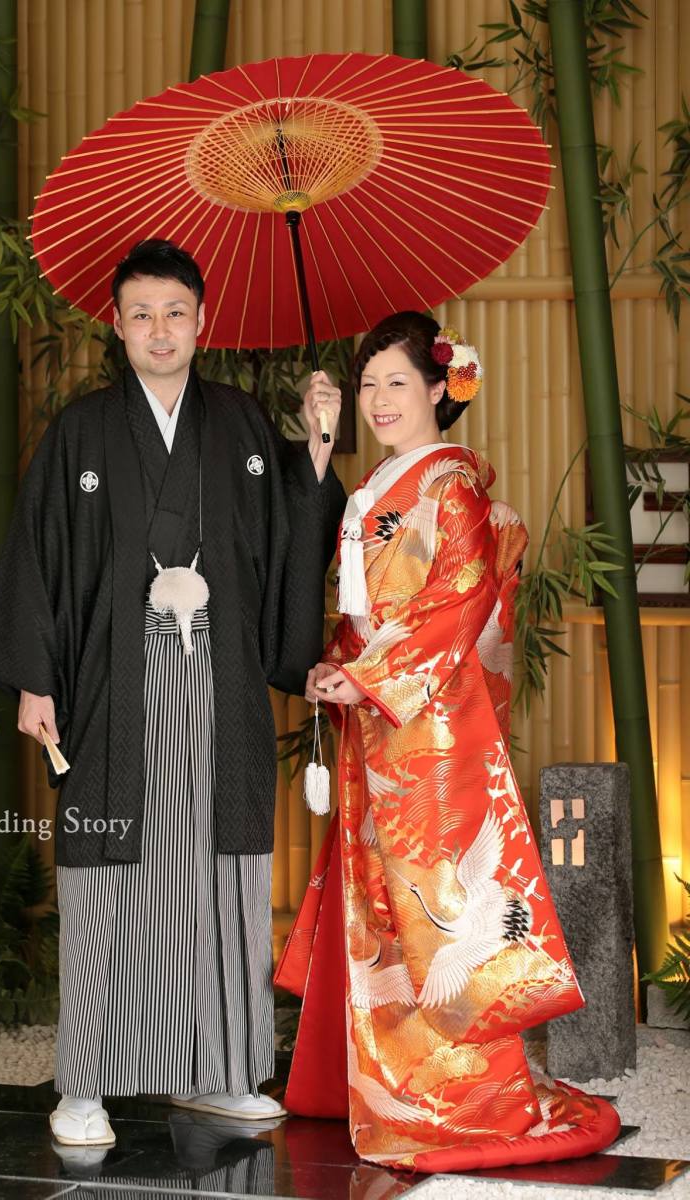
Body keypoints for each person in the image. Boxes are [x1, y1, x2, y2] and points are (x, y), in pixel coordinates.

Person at [0, 239, 346, 1146]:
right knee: (108, 877)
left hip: (217, 685)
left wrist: (320, 450)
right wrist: (33, 678)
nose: (159, 330)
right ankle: (87, 1083)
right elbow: (40, 554)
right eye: (140, 314)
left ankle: (218, 1072)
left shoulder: (247, 427)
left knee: (223, 878)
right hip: (113, 686)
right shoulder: (84, 432)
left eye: (175, 312)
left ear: (202, 319)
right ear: (117, 325)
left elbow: (288, 533)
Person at [275, 312, 621, 1171]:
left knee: (441, 915)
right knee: (384, 914)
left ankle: (463, 1099)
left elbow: (454, 604)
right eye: (367, 386)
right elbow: (369, 620)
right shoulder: (379, 486)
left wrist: (364, 676)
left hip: (429, 735)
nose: (380, 400)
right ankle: (388, 1085)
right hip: (381, 725)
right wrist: (338, 667)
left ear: (439, 388)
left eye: (397, 382)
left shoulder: (449, 488)